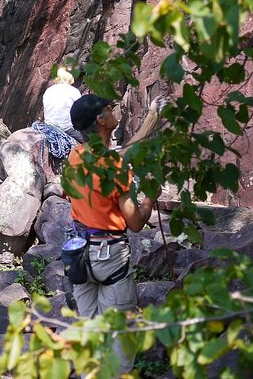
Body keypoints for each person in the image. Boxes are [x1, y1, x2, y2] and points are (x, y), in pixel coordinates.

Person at [64, 95, 159, 373]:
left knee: (90, 339)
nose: (113, 109)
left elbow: (119, 153)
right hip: (110, 258)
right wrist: (149, 199)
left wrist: (151, 117)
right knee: (118, 343)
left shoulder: (76, 156)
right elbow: (136, 223)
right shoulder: (114, 168)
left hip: (80, 257)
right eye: (109, 109)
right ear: (101, 121)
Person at [43, 67, 83, 142]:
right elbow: (79, 113)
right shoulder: (74, 91)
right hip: (66, 128)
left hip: (48, 127)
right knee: (91, 142)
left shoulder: (48, 90)